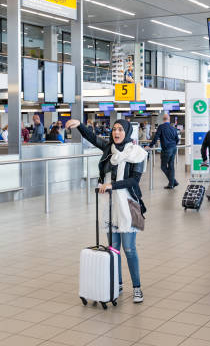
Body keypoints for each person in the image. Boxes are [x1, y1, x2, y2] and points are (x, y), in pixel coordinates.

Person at [65, 118, 147, 303]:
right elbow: (92, 137)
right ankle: (116, 284)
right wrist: (79, 125)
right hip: (110, 205)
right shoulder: (108, 149)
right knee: (113, 249)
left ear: (127, 132)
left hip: (128, 204)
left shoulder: (137, 153)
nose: (116, 133)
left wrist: (112, 185)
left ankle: (137, 288)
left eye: (120, 130)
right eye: (114, 129)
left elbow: (134, 180)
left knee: (129, 249)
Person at [148, 113, 180, 189]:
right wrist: (173, 145)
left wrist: (150, 146)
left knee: (163, 167)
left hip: (166, 149)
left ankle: (173, 182)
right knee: (171, 166)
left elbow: (156, 137)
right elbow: (177, 139)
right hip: (173, 149)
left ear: (163, 119)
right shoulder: (173, 128)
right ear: (168, 120)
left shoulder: (161, 127)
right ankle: (172, 183)